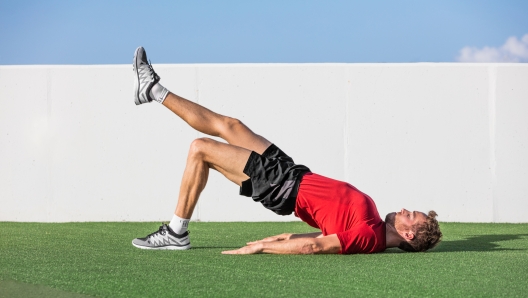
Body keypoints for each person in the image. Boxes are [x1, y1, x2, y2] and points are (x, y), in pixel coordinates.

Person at [130, 47, 442, 254]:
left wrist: (262, 248)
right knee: (230, 125)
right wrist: (279, 239)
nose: (404, 210)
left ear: (409, 235)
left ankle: (176, 232)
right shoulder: (373, 221)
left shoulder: (370, 237)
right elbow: (312, 238)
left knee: (200, 149)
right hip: (291, 172)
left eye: (409, 215)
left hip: (280, 186)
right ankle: (153, 90)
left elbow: (318, 247)